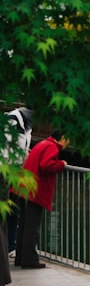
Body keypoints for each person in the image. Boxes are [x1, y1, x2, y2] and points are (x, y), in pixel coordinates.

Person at [13, 129, 69, 269]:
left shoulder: (42, 143)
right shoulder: (52, 147)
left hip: (24, 188)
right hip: (34, 191)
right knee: (32, 226)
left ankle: (21, 257)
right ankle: (29, 259)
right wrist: (61, 164)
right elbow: (46, 165)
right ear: (62, 138)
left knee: (24, 225)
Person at [1, 107, 32, 262]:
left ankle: (11, 246)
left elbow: (22, 148)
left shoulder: (27, 124)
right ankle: (8, 246)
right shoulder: (11, 121)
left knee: (14, 210)